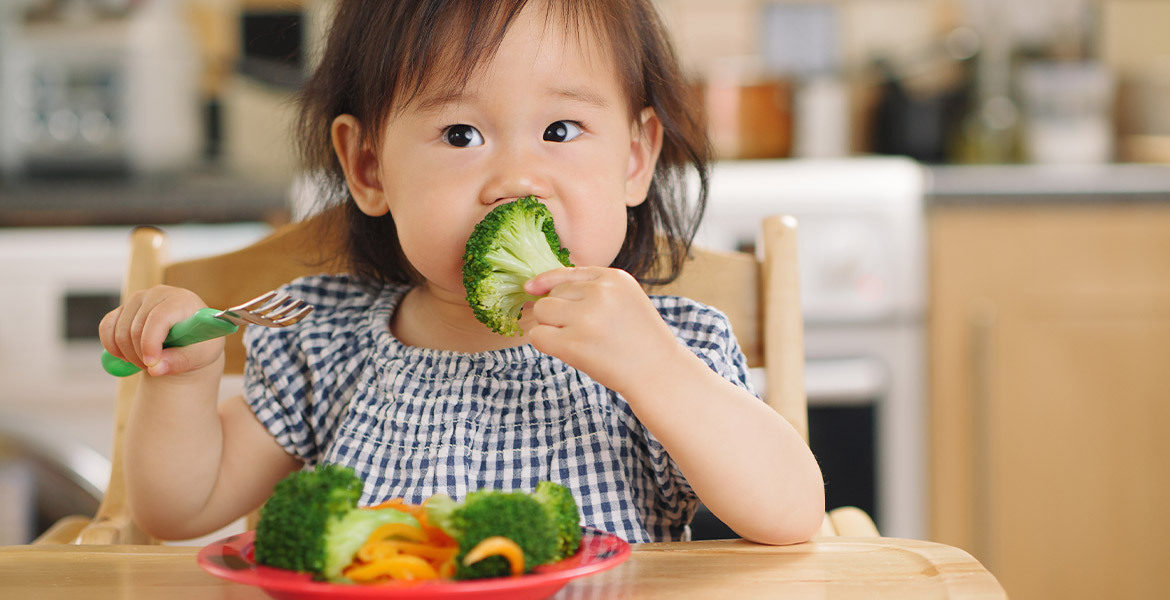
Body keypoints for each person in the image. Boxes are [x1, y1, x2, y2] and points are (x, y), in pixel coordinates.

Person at [98, 0, 824, 545]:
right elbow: (177, 511)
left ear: (635, 159)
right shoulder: (326, 338)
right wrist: (186, 386)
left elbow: (791, 515)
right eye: (460, 135)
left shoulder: (670, 345)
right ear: (369, 167)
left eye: (560, 131)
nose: (515, 180)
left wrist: (654, 370)